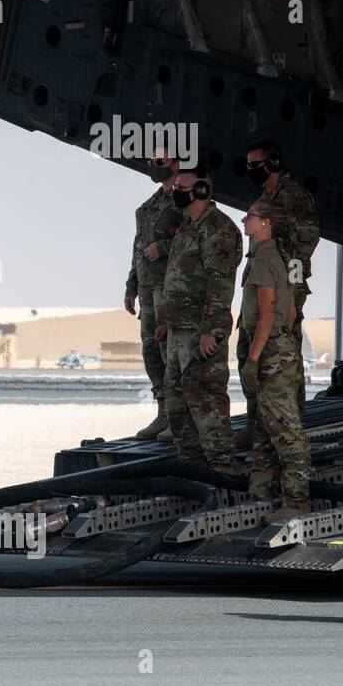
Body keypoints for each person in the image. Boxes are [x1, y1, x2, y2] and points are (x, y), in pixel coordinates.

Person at [234, 140, 319, 447]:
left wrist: (293, 288)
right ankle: (257, 423)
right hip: (261, 282)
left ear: (274, 162)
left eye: (255, 165)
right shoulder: (264, 199)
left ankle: (290, 420)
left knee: (284, 358)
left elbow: (304, 246)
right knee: (248, 350)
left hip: (282, 286)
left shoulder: (294, 198)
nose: (250, 171)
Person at [156, 171, 242, 472]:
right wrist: (167, 319)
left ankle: (222, 470)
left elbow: (220, 286)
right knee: (177, 402)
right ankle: (193, 468)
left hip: (201, 331)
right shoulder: (186, 226)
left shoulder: (218, 231)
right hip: (179, 330)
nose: (176, 192)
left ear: (202, 189)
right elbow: (177, 277)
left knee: (205, 400)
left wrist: (211, 332)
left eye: (182, 188)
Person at [238, 200, 312, 523]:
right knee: (265, 430)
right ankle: (261, 496)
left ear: (265, 223)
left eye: (250, 216)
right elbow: (291, 312)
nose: (244, 221)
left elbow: (267, 316)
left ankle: (297, 502)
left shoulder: (265, 259)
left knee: (285, 430)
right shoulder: (272, 256)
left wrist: (253, 360)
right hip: (280, 348)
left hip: (270, 351)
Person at [124, 149, 183, 439]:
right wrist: (131, 286)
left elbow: (193, 241)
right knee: (151, 349)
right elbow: (138, 247)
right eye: (150, 162)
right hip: (148, 287)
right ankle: (163, 412)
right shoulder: (148, 207)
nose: (153, 166)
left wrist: (163, 248)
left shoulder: (185, 201)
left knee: (169, 348)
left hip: (171, 287)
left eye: (159, 162)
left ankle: (177, 416)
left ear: (176, 163)